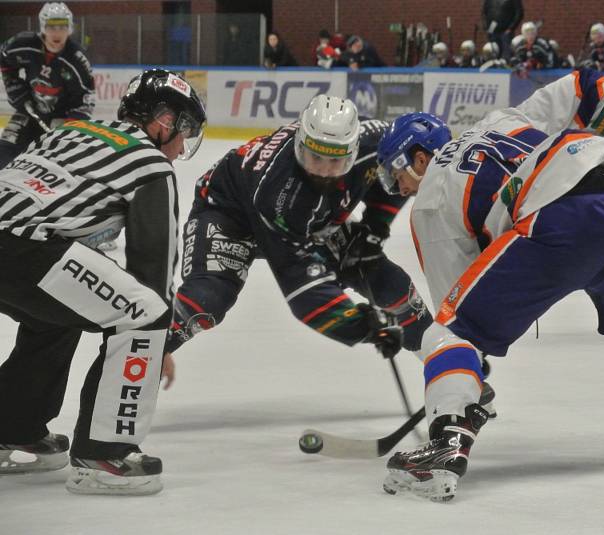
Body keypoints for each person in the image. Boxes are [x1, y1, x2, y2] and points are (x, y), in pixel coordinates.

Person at [375, 68, 604, 502]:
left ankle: (445, 447)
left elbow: (460, 317)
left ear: (419, 158)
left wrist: (465, 384)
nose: (397, 189)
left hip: (560, 223)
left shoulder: (431, 200)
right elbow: (584, 85)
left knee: (448, 334)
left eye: (394, 174)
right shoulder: (501, 119)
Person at [0, 69, 206, 495]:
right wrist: (156, 340)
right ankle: (103, 454)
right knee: (145, 311)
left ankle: (13, 429)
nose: (182, 146)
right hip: (21, 247)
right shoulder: (150, 165)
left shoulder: (70, 130)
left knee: (58, 314)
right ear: (162, 120)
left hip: (15, 240)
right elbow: (153, 267)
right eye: (183, 129)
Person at [162, 95, 431, 383]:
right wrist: (361, 325)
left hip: (310, 214)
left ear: (354, 151)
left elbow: (392, 180)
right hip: (229, 211)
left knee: (380, 276)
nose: (323, 171)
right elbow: (303, 289)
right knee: (207, 300)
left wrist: (373, 232)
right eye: (314, 157)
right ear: (299, 144)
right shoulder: (279, 196)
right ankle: (142, 352)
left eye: (335, 161)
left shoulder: (377, 142)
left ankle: (442, 361)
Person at [0, 2, 94, 169]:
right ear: (43, 27)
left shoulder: (77, 61)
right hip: (29, 110)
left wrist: (69, 127)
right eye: (52, 26)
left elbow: (85, 101)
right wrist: (14, 86)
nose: (57, 32)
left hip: (60, 120)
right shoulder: (25, 43)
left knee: (58, 167)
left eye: (62, 26)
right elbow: (4, 57)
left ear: (70, 28)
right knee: (4, 151)